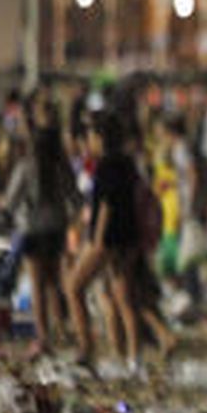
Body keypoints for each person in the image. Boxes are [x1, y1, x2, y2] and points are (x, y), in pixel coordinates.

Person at [65, 112, 143, 368]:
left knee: (74, 287)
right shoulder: (127, 163)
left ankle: (86, 349)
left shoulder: (107, 166)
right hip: (127, 235)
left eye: (90, 136)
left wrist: (97, 239)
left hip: (106, 238)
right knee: (124, 298)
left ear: (100, 137)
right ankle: (132, 359)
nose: (88, 142)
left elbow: (107, 204)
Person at [3, 118, 80, 355]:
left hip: (32, 229)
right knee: (53, 283)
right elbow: (75, 198)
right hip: (57, 229)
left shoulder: (26, 166)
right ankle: (62, 330)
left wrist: (10, 217)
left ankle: (43, 338)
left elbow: (11, 200)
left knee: (36, 286)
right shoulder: (61, 167)